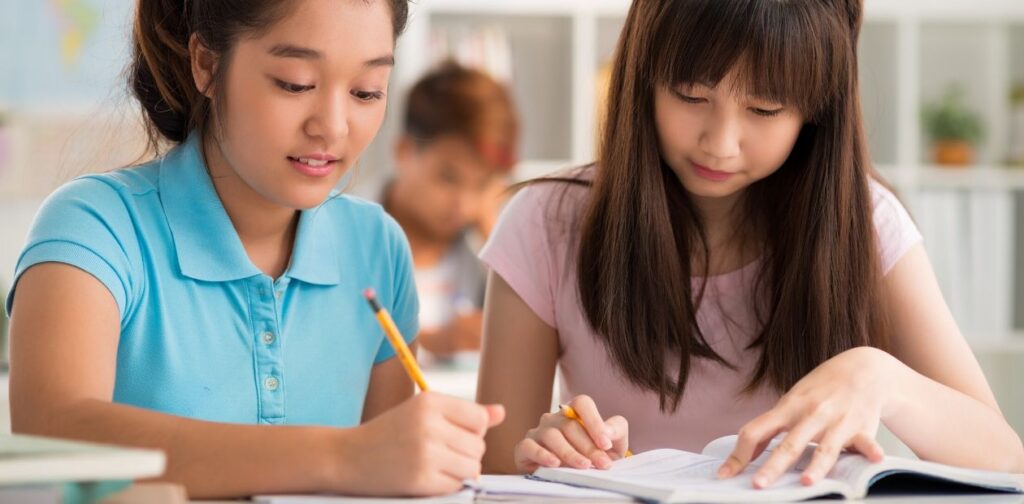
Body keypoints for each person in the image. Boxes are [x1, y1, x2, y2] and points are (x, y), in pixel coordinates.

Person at [476, 0, 1024, 486]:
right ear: (641, 76)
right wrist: (551, 446)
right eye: (691, 95)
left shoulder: (867, 223)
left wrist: (882, 378)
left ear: (816, 110)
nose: (721, 143)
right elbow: (495, 470)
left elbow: (1005, 457)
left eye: (763, 110)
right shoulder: (544, 222)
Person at [6, 0, 503, 498]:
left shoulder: (377, 247)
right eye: (294, 83)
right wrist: (342, 456)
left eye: (366, 92)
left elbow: (382, 481)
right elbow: (56, 433)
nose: (332, 126)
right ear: (206, 63)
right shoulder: (95, 226)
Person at [382, 62, 518, 364]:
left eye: (482, 184)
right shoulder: (343, 233)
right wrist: (434, 343)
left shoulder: (483, 246)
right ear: (404, 152)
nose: (464, 205)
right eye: (448, 178)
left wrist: (494, 234)